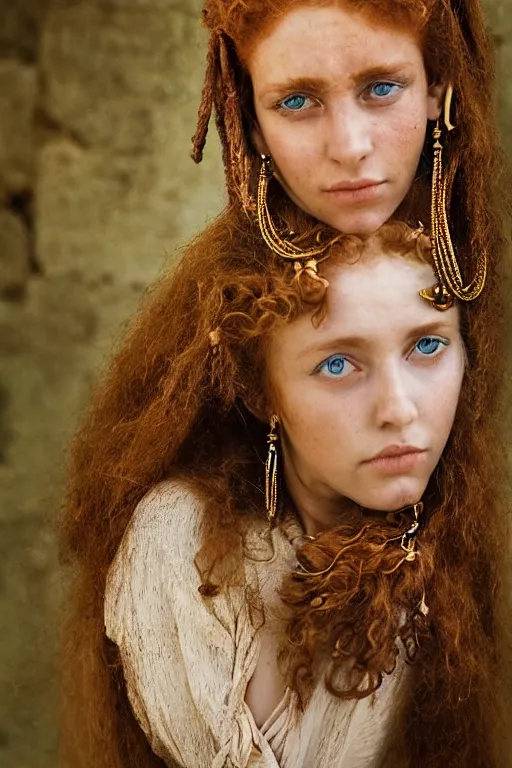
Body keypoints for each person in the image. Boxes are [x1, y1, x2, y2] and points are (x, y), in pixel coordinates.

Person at [59, 1, 509, 767]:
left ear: (439, 89)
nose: (352, 148)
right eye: (296, 100)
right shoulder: (192, 547)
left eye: (381, 88)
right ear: (249, 121)